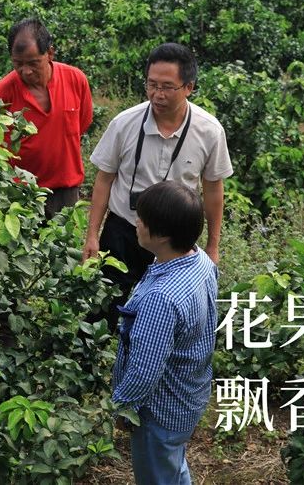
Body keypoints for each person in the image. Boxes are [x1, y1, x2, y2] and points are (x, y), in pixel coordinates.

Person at [82, 43, 231, 320]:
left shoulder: (209, 131)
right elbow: (104, 179)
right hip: (124, 230)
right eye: (152, 85)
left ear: (189, 87)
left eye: (167, 87)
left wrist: (213, 246)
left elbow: (213, 190)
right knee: (103, 308)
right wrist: (92, 234)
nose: (157, 94)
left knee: (164, 312)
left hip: (174, 242)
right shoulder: (124, 123)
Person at [111, 181, 217, 485]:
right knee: (171, 465)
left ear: (163, 235)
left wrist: (122, 408)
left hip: (158, 411)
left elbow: (145, 371)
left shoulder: (163, 298)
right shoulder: (199, 262)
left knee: (158, 474)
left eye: (142, 219)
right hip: (188, 394)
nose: (137, 223)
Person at [0, 18, 93, 218]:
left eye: (33, 63)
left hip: (65, 191)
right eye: (18, 64)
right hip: (19, 195)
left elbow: (82, 124)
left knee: (63, 246)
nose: (26, 71)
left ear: (50, 53)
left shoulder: (76, 80)